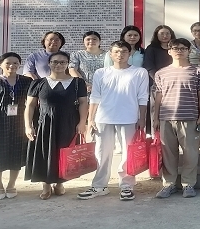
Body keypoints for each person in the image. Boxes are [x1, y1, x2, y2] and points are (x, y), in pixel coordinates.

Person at [78, 41, 149, 201]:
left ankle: (126, 186)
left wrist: (142, 118)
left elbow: (143, 97)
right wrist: (90, 119)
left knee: (127, 153)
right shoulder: (101, 73)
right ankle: (99, 186)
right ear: (110, 54)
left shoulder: (139, 72)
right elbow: (95, 96)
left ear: (130, 54)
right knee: (102, 152)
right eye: (116, 51)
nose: (120, 54)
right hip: (103, 117)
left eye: (124, 51)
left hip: (129, 117)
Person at [24, 52, 88, 200]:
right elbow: (30, 105)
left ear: (67, 64)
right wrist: (28, 125)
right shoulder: (38, 83)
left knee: (64, 153)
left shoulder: (77, 83)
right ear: (49, 63)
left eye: (62, 62)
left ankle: (60, 183)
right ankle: (46, 185)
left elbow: (83, 103)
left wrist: (82, 122)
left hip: (68, 123)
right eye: (55, 62)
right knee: (45, 153)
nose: (58, 65)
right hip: (44, 123)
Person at [153, 38, 200, 199]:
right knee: (168, 153)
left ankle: (188, 184)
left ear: (189, 51)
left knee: (191, 153)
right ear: (169, 51)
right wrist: (155, 118)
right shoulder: (161, 73)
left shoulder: (198, 72)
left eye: (183, 48)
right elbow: (158, 97)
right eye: (175, 48)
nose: (179, 51)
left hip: (190, 117)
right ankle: (169, 184)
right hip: (166, 117)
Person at [0, 52, 33, 199]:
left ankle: (11, 185)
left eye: (15, 63)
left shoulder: (26, 81)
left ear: (19, 65)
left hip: (20, 120)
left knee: (16, 153)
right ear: (0, 65)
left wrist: (31, 124)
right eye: (8, 63)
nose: (12, 66)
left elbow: (32, 103)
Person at [144, 25, 176, 135]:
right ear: (156, 35)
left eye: (167, 33)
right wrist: (159, 81)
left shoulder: (175, 48)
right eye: (162, 34)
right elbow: (149, 66)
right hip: (157, 84)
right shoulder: (151, 48)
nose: (165, 36)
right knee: (155, 110)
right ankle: (156, 136)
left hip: (174, 84)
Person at [69, 31, 105, 95]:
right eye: (88, 39)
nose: (91, 41)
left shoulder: (108, 55)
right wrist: (84, 84)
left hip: (103, 88)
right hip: (83, 89)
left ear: (100, 41)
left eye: (94, 39)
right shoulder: (77, 55)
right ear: (83, 42)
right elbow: (72, 70)